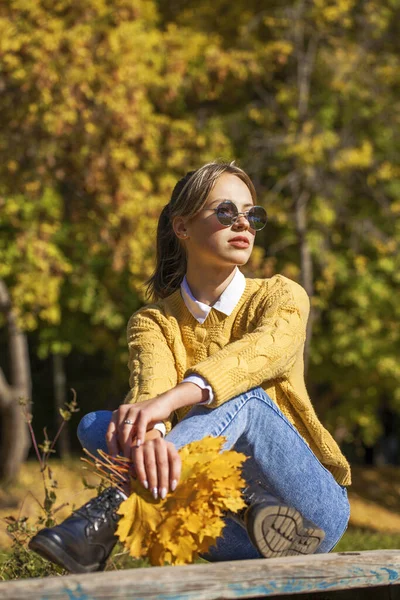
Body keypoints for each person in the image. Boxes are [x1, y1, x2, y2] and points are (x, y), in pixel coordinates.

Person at [29, 161, 351, 573]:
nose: (244, 224)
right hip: (224, 531)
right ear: (182, 227)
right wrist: (151, 428)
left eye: (253, 215)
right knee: (98, 425)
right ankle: (252, 508)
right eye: (225, 212)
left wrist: (172, 402)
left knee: (244, 401)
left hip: (313, 510)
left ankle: (113, 511)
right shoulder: (154, 321)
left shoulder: (281, 295)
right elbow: (150, 386)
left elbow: (253, 357)